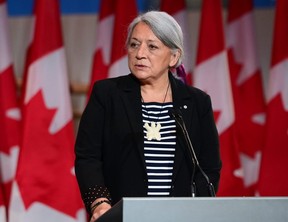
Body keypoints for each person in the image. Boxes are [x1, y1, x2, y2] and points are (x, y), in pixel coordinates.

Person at [75, 10, 222, 221]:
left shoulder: (197, 102)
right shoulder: (107, 94)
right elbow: (88, 157)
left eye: (152, 46)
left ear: (174, 56)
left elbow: (209, 166)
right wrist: (99, 202)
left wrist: (193, 209)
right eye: (134, 44)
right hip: (121, 215)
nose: (140, 53)